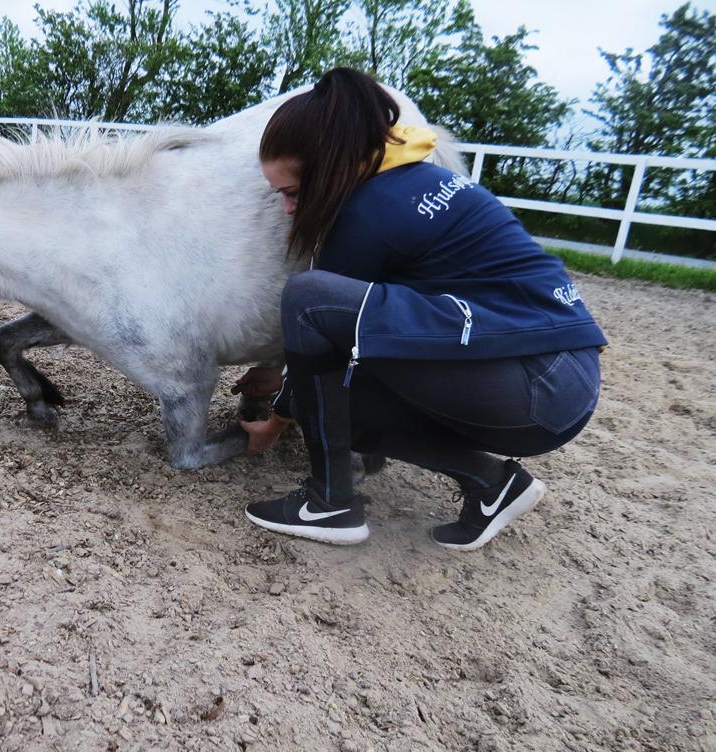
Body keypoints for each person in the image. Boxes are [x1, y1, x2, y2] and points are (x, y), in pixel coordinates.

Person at [238, 67, 607, 550]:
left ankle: (329, 504)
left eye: (292, 192)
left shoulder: (369, 215)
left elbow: (316, 336)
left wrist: (278, 417)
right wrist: (289, 391)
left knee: (307, 296)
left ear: (328, 168)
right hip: (559, 377)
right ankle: (493, 484)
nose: (288, 208)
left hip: (535, 384)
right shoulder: (411, 179)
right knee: (352, 401)